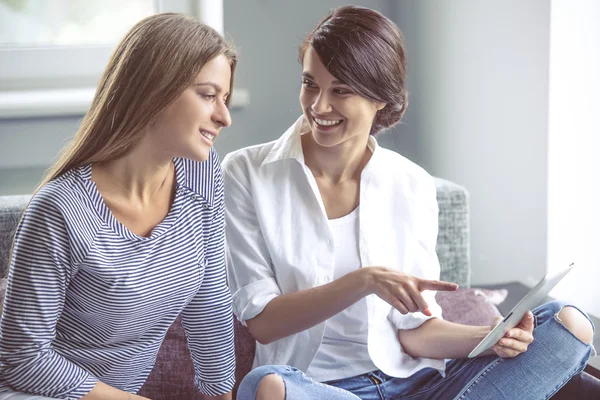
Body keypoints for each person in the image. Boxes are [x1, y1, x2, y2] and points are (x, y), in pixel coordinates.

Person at [222, 6, 596, 400]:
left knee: (569, 324)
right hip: (316, 388)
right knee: (265, 387)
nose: (319, 105)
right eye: (310, 84)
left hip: (416, 385)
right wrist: (364, 281)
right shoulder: (248, 172)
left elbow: (415, 331)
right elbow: (262, 322)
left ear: (381, 98)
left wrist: (490, 337)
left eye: (341, 90)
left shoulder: (411, 184)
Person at [0, 13, 236, 400]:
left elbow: (208, 300)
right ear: (154, 90)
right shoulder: (61, 209)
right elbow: (24, 358)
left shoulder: (201, 172)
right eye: (208, 95)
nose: (224, 116)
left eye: (225, 98)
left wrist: (221, 394)